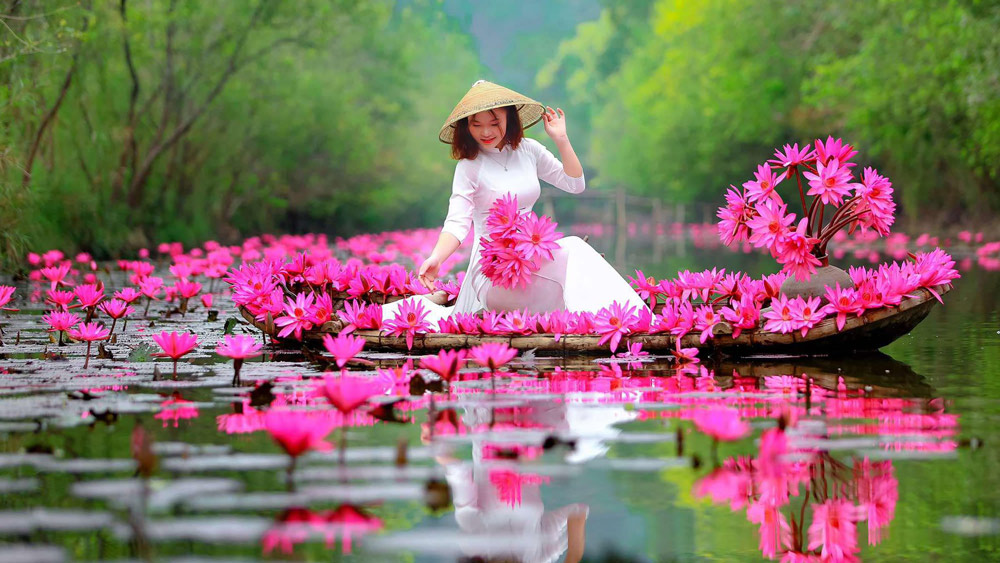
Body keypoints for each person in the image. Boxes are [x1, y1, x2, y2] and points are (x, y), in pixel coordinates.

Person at [381, 79, 648, 325]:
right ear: (466, 126)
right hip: (493, 270)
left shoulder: (529, 151)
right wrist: (437, 258)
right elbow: (457, 222)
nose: (486, 131)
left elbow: (575, 184)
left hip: (531, 258)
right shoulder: (469, 166)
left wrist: (562, 139)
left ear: (510, 118)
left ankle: (628, 321)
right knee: (569, 277)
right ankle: (605, 322)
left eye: (494, 122)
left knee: (575, 248)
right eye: (476, 124)